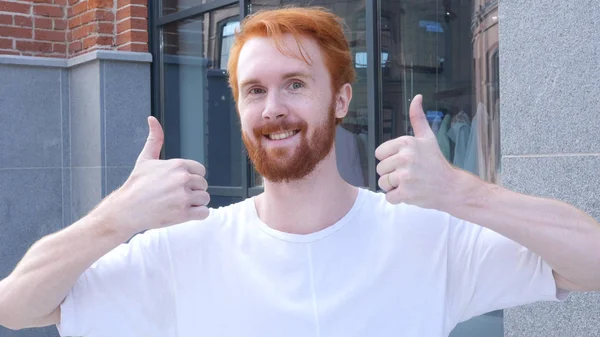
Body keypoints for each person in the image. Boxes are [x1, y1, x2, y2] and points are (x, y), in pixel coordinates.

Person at [0, 6, 599, 337]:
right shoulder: (183, 251)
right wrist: (115, 219)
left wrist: (465, 194)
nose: (274, 109)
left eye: (295, 84)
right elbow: (16, 307)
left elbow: (591, 264)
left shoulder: (423, 239)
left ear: (340, 100)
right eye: (254, 90)